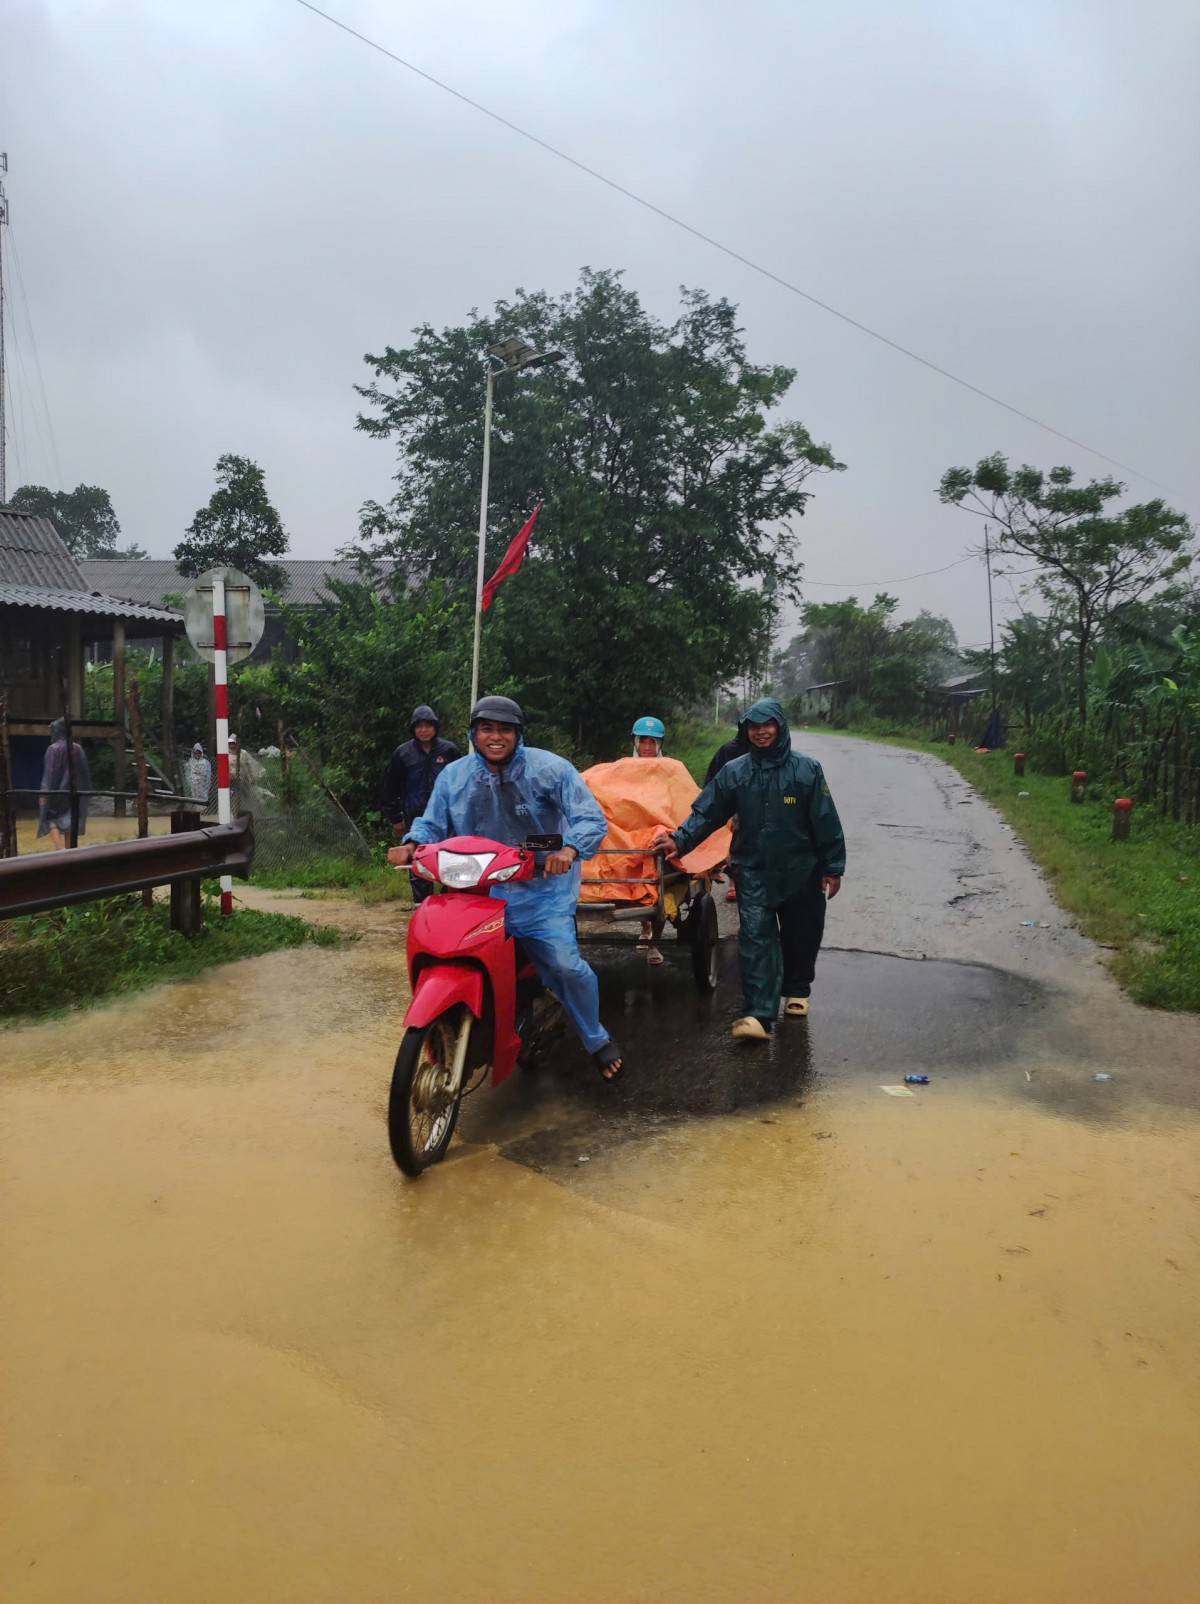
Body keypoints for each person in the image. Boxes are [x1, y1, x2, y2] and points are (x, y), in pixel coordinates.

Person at [388, 695, 622, 1079]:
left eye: (505, 730)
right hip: (475, 889)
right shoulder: (454, 776)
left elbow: (589, 819)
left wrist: (569, 848)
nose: (495, 737)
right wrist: (413, 844)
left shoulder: (550, 770)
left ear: (518, 734)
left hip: (540, 885)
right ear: (473, 733)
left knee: (565, 966)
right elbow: (431, 823)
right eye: (487, 729)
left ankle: (595, 1038)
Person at [653, 697, 845, 1043]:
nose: (761, 732)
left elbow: (826, 821)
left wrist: (833, 866)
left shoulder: (807, 771)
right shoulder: (735, 772)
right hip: (754, 869)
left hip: (802, 870)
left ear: (780, 727)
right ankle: (759, 1012)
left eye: (767, 725)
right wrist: (678, 841)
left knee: (801, 934)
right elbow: (707, 813)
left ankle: (797, 988)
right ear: (747, 731)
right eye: (754, 727)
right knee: (756, 938)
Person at [380, 705, 463, 904]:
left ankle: (448, 901)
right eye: (419, 726)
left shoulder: (449, 750)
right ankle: (422, 904)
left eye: (428, 726)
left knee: (448, 856)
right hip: (415, 814)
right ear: (413, 729)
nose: (423, 730)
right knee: (418, 859)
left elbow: (461, 783)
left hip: (446, 815)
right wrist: (395, 818)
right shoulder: (403, 753)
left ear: (435, 727)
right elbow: (390, 786)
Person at [631, 716, 668, 964]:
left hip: (658, 828)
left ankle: (655, 942)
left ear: (660, 744)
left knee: (657, 863)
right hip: (631, 829)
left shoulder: (669, 769)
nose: (647, 747)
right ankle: (645, 928)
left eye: (652, 742)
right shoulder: (623, 768)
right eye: (643, 741)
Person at [706, 716, 751, 901]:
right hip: (730, 806)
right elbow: (712, 780)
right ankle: (733, 882)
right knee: (732, 841)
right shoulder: (728, 751)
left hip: (754, 805)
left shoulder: (767, 752)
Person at [37, 719, 92, 850]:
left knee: (51, 819)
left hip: (56, 792)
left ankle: (59, 850)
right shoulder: (78, 748)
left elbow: (50, 773)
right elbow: (84, 773)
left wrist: (44, 793)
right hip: (74, 791)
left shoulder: (53, 749)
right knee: (70, 819)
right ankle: (69, 851)